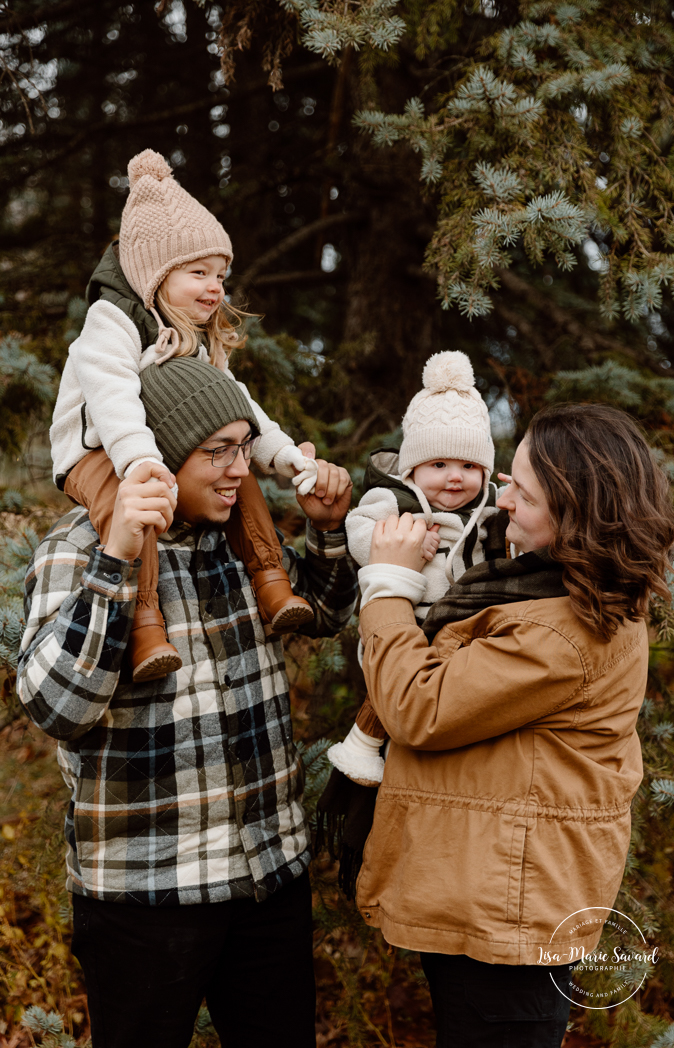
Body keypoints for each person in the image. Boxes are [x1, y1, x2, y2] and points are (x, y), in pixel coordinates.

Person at [18, 358, 357, 1048]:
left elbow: (321, 613)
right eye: (217, 452)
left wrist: (325, 532)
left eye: (243, 446)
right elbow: (58, 708)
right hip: (144, 898)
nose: (240, 469)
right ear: (162, 456)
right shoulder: (76, 549)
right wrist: (115, 563)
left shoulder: (237, 541)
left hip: (267, 882)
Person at [352, 403, 674, 1047]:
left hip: (512, 913)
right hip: (493, 890)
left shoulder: (564, 628)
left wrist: (388, 584)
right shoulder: (550, 586)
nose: (500, 496)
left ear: (572, 517)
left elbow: (419, 705)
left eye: (522, 493)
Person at [50, 148, 320, 683]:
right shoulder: (112, 320)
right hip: (97, 453)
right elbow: (112, 396)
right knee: (135, 506)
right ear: (156, 273)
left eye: (221, 273)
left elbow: (236, 404)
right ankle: (146, 624)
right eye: (199, 272)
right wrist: (140, 461)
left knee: (235, 472)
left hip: (150, 448)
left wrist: (281, 453)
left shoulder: (186, 336)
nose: (215, 287)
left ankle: (271, 580)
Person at [329, 349, 505, 787]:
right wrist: (397, 540)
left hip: (466, 625)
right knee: (394, 686)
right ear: (412, 469)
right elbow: (357, 528)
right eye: (439, 465)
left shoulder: (489, 508)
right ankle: (365, 745)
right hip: (404, 616)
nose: (454, 478)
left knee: (448, 696)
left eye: (469, 466)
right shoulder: (394, 500)